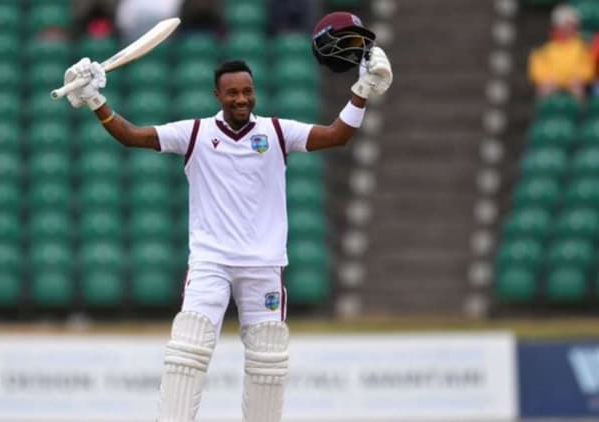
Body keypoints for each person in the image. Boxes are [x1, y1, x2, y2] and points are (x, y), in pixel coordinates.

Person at [61, 12, 392, 421]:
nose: (241, 99)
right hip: (211, 261)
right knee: (189, 349)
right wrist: (95, 99)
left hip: (263, 263)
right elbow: (132, 136)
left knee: (268, 359)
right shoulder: (196, 133)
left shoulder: (276, 132)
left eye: (247, 91)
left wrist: (362, 91)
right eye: (232, 93)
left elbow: (337, 135)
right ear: (217, 95)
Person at [528, 3, 594, 101]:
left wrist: (579, 77)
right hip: (551, 83)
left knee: (579, 90)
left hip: (574, 84)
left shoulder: (582, 46)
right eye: (565, 25)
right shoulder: (546, 47)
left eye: (570, 25)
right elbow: (537, 67)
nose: (567, 28)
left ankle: (582, 110)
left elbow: (588, 67)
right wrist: (547, 78)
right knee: (543, 90)